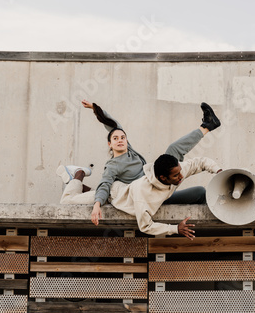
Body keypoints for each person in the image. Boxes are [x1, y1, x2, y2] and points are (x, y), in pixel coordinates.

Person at [57, 101, 222, 238]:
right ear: (109, 144)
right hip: (138, 196)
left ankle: (207, 125)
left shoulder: (130, 151)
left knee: (181, 163)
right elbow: (106, 184)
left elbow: (113, 125)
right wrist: (97, 204)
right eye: (115, 139)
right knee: (67, 201)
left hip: (158, 189)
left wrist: (96, 110)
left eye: (123, 138)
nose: (120, 140)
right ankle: (78, 174)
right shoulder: (112, 165)